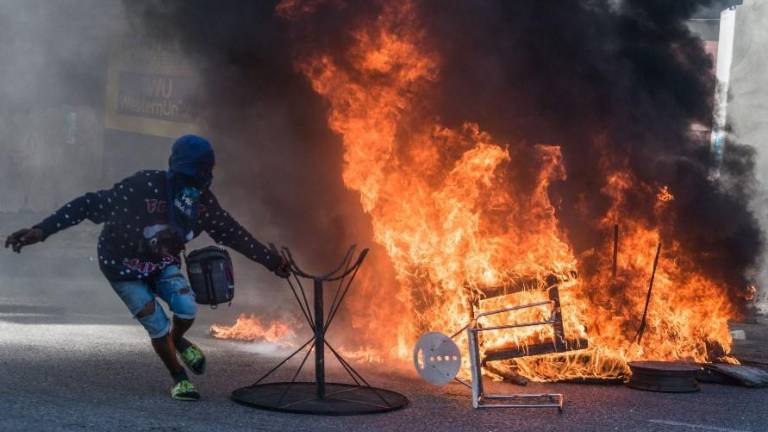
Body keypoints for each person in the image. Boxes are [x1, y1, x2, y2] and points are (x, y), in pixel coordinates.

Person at [4, 135, 290, 401]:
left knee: (187, 307)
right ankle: (178, 376)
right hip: (121, 266)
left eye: (199, 178)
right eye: (187, 177)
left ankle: (177, 339)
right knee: (155, 323)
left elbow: (234, 235)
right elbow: (88, 204)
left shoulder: (204, 206)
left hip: (162, 264)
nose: (192, 185)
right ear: (173, 170)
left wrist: (272, 261)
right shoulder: (142, 188)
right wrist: (42, 230)